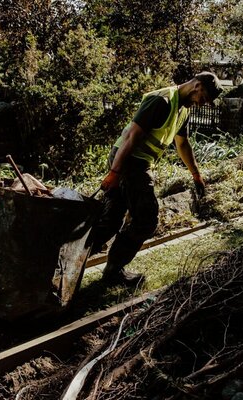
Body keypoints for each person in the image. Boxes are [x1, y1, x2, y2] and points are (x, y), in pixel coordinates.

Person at [90, 72, 223, 286]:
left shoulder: (182, 110)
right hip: (130, 161)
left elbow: (183, 145)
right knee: (146, 219)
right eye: (204, 99)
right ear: (197, 86)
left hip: (135, 162)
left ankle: (67, 259)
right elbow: (131, 136)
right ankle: (113, 271)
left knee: (111, 220)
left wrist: (196, 175)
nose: (201, 104)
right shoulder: (162, 101)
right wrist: (115, 173)